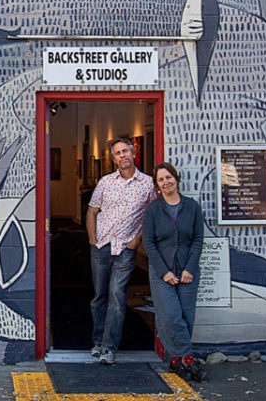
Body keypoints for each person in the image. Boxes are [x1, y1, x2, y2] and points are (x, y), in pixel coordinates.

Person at [86, 137, 157, 364]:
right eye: (117, 153)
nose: (122, 156)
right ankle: (97, 340)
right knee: (100, 295)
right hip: (102, 247)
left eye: (125, 151)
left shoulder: (147, 184)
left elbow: (152, 217)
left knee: (117, 295)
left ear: (134, 152)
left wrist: (136, 241)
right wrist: (92, 240)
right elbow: (91, 212)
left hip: (125, 249)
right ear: (113, 158)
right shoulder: (105, 182)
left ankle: (109, 346)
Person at [142, 162, 206, 381]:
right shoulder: (153, 209)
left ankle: (176, 360)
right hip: (162, 272)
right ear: (157, 185)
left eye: (168, 177)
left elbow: (198, 239)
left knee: (187, 316)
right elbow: (148, 242)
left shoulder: (192, 207)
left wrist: (189, 268)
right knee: (170, 315)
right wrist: (164, 271)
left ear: (176, 179)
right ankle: (187, 357)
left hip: (188, 270)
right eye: (161, 180)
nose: (166, 182)